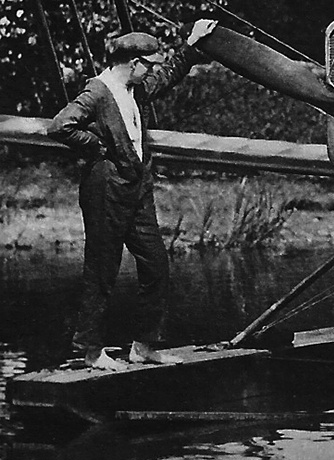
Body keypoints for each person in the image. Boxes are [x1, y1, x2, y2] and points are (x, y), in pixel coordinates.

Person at [47, 20, 218, 370]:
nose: (151, 70)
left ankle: (143, 346)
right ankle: (92, 352)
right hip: (105, 189)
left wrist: (192, 42)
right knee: (101, 271)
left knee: (157, 265)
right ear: (133, 63)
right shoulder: (98, 91)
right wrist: (97, 146)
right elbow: (60, 126)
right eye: (149, 65)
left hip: (137, 189)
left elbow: (167, 76)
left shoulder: (134, 89)